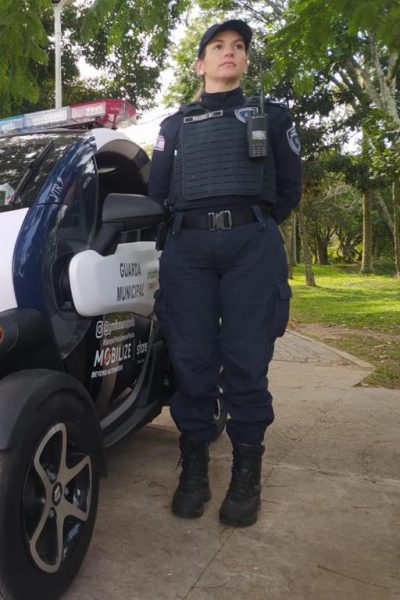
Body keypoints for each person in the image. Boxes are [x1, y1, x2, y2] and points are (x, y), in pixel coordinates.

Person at [148, 20, 301, 527]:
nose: (229, 53)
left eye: (238, 47)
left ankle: (245, 474)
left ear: (246, 61)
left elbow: (288, 191)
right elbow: (156, 196)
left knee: (245, 361)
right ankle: (194, 469)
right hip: (187, 250)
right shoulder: (172, 127)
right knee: (190, 361)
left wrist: (245, 226)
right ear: (200, 64)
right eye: (218, 47)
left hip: (250, 248)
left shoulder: (273, 119)